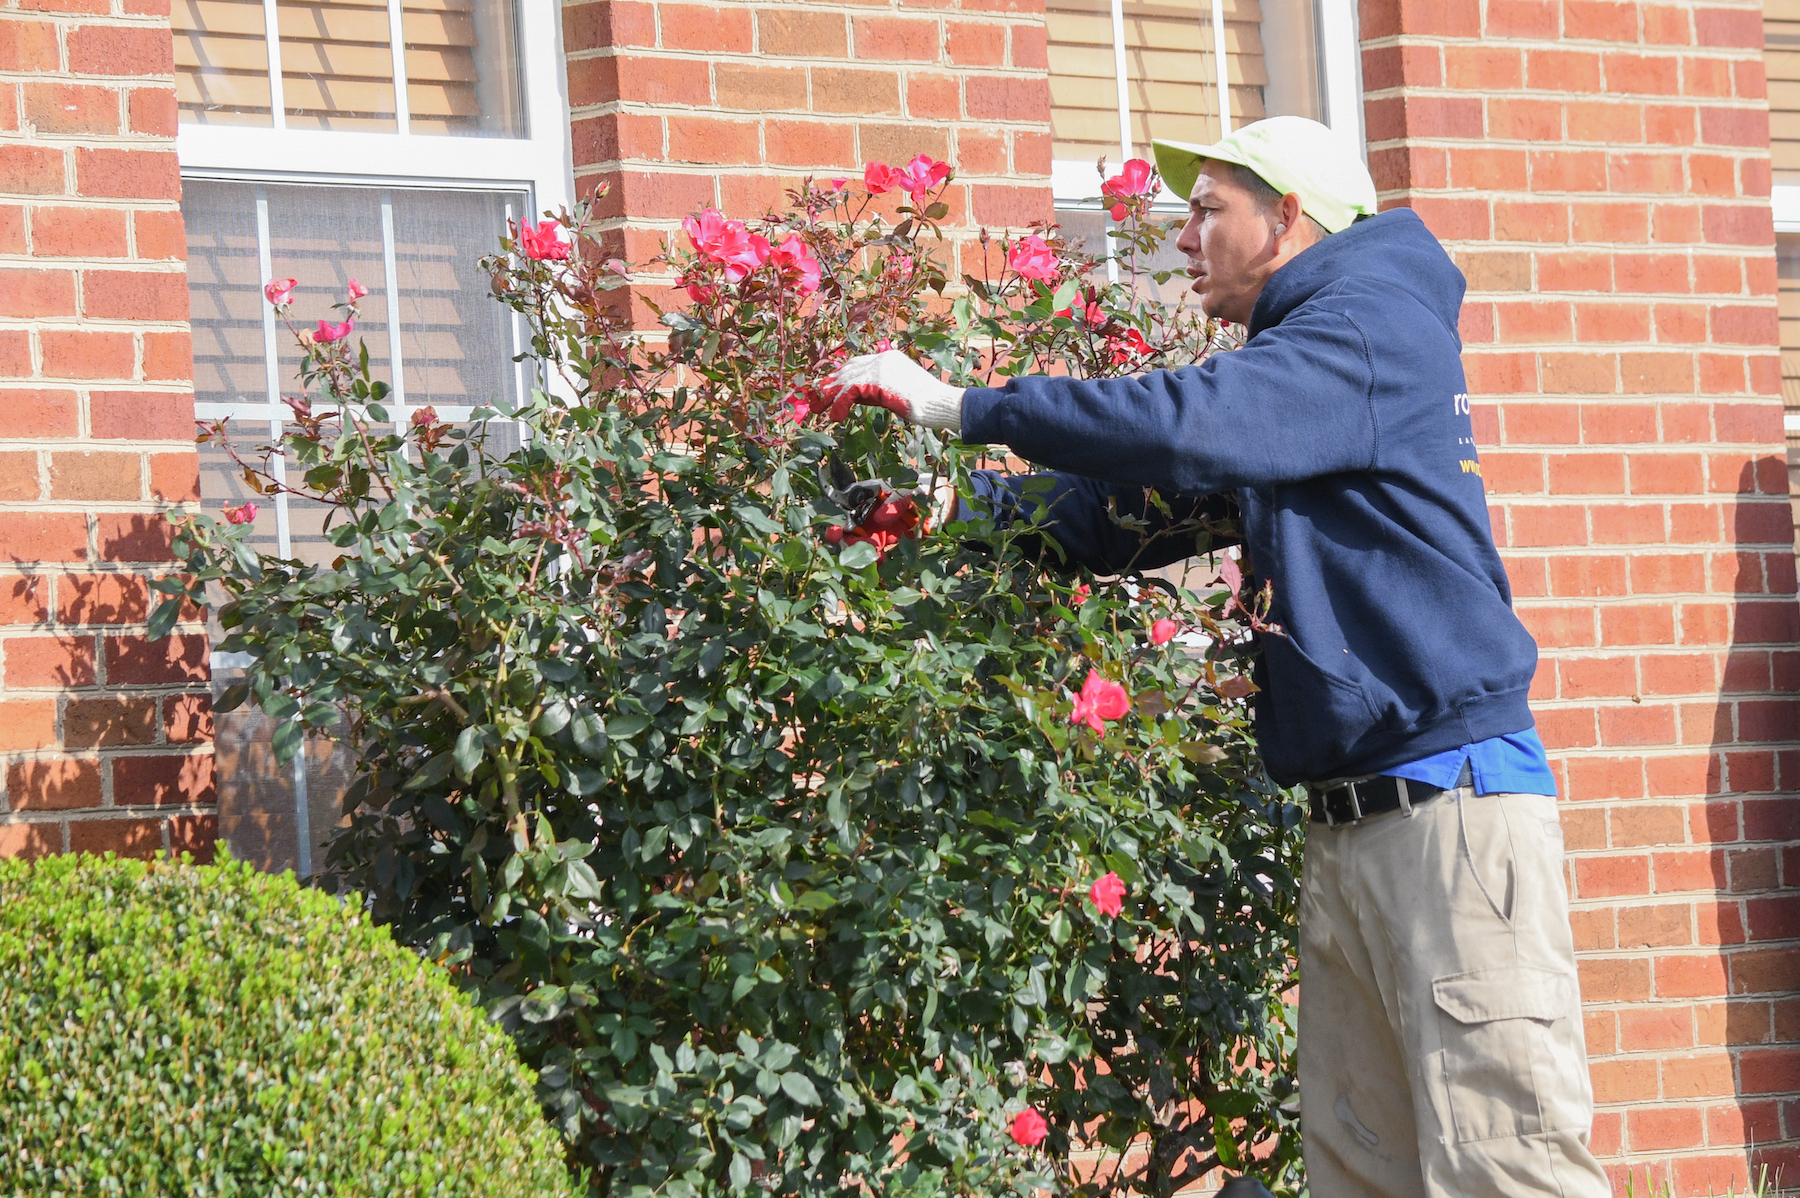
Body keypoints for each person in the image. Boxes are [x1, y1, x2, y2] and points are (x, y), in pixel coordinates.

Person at [824, 116, 1610, 1198]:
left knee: (1507, 1172)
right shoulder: (1302, 369)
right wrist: (955, 510)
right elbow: (1129, 509)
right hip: (1353, 827)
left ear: (1287, 218)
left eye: (1208, 211)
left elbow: (1191, 424)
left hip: (1452, 820)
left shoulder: (1370, 323)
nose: (1184, 238)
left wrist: (962, 405)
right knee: (1362, 1178)